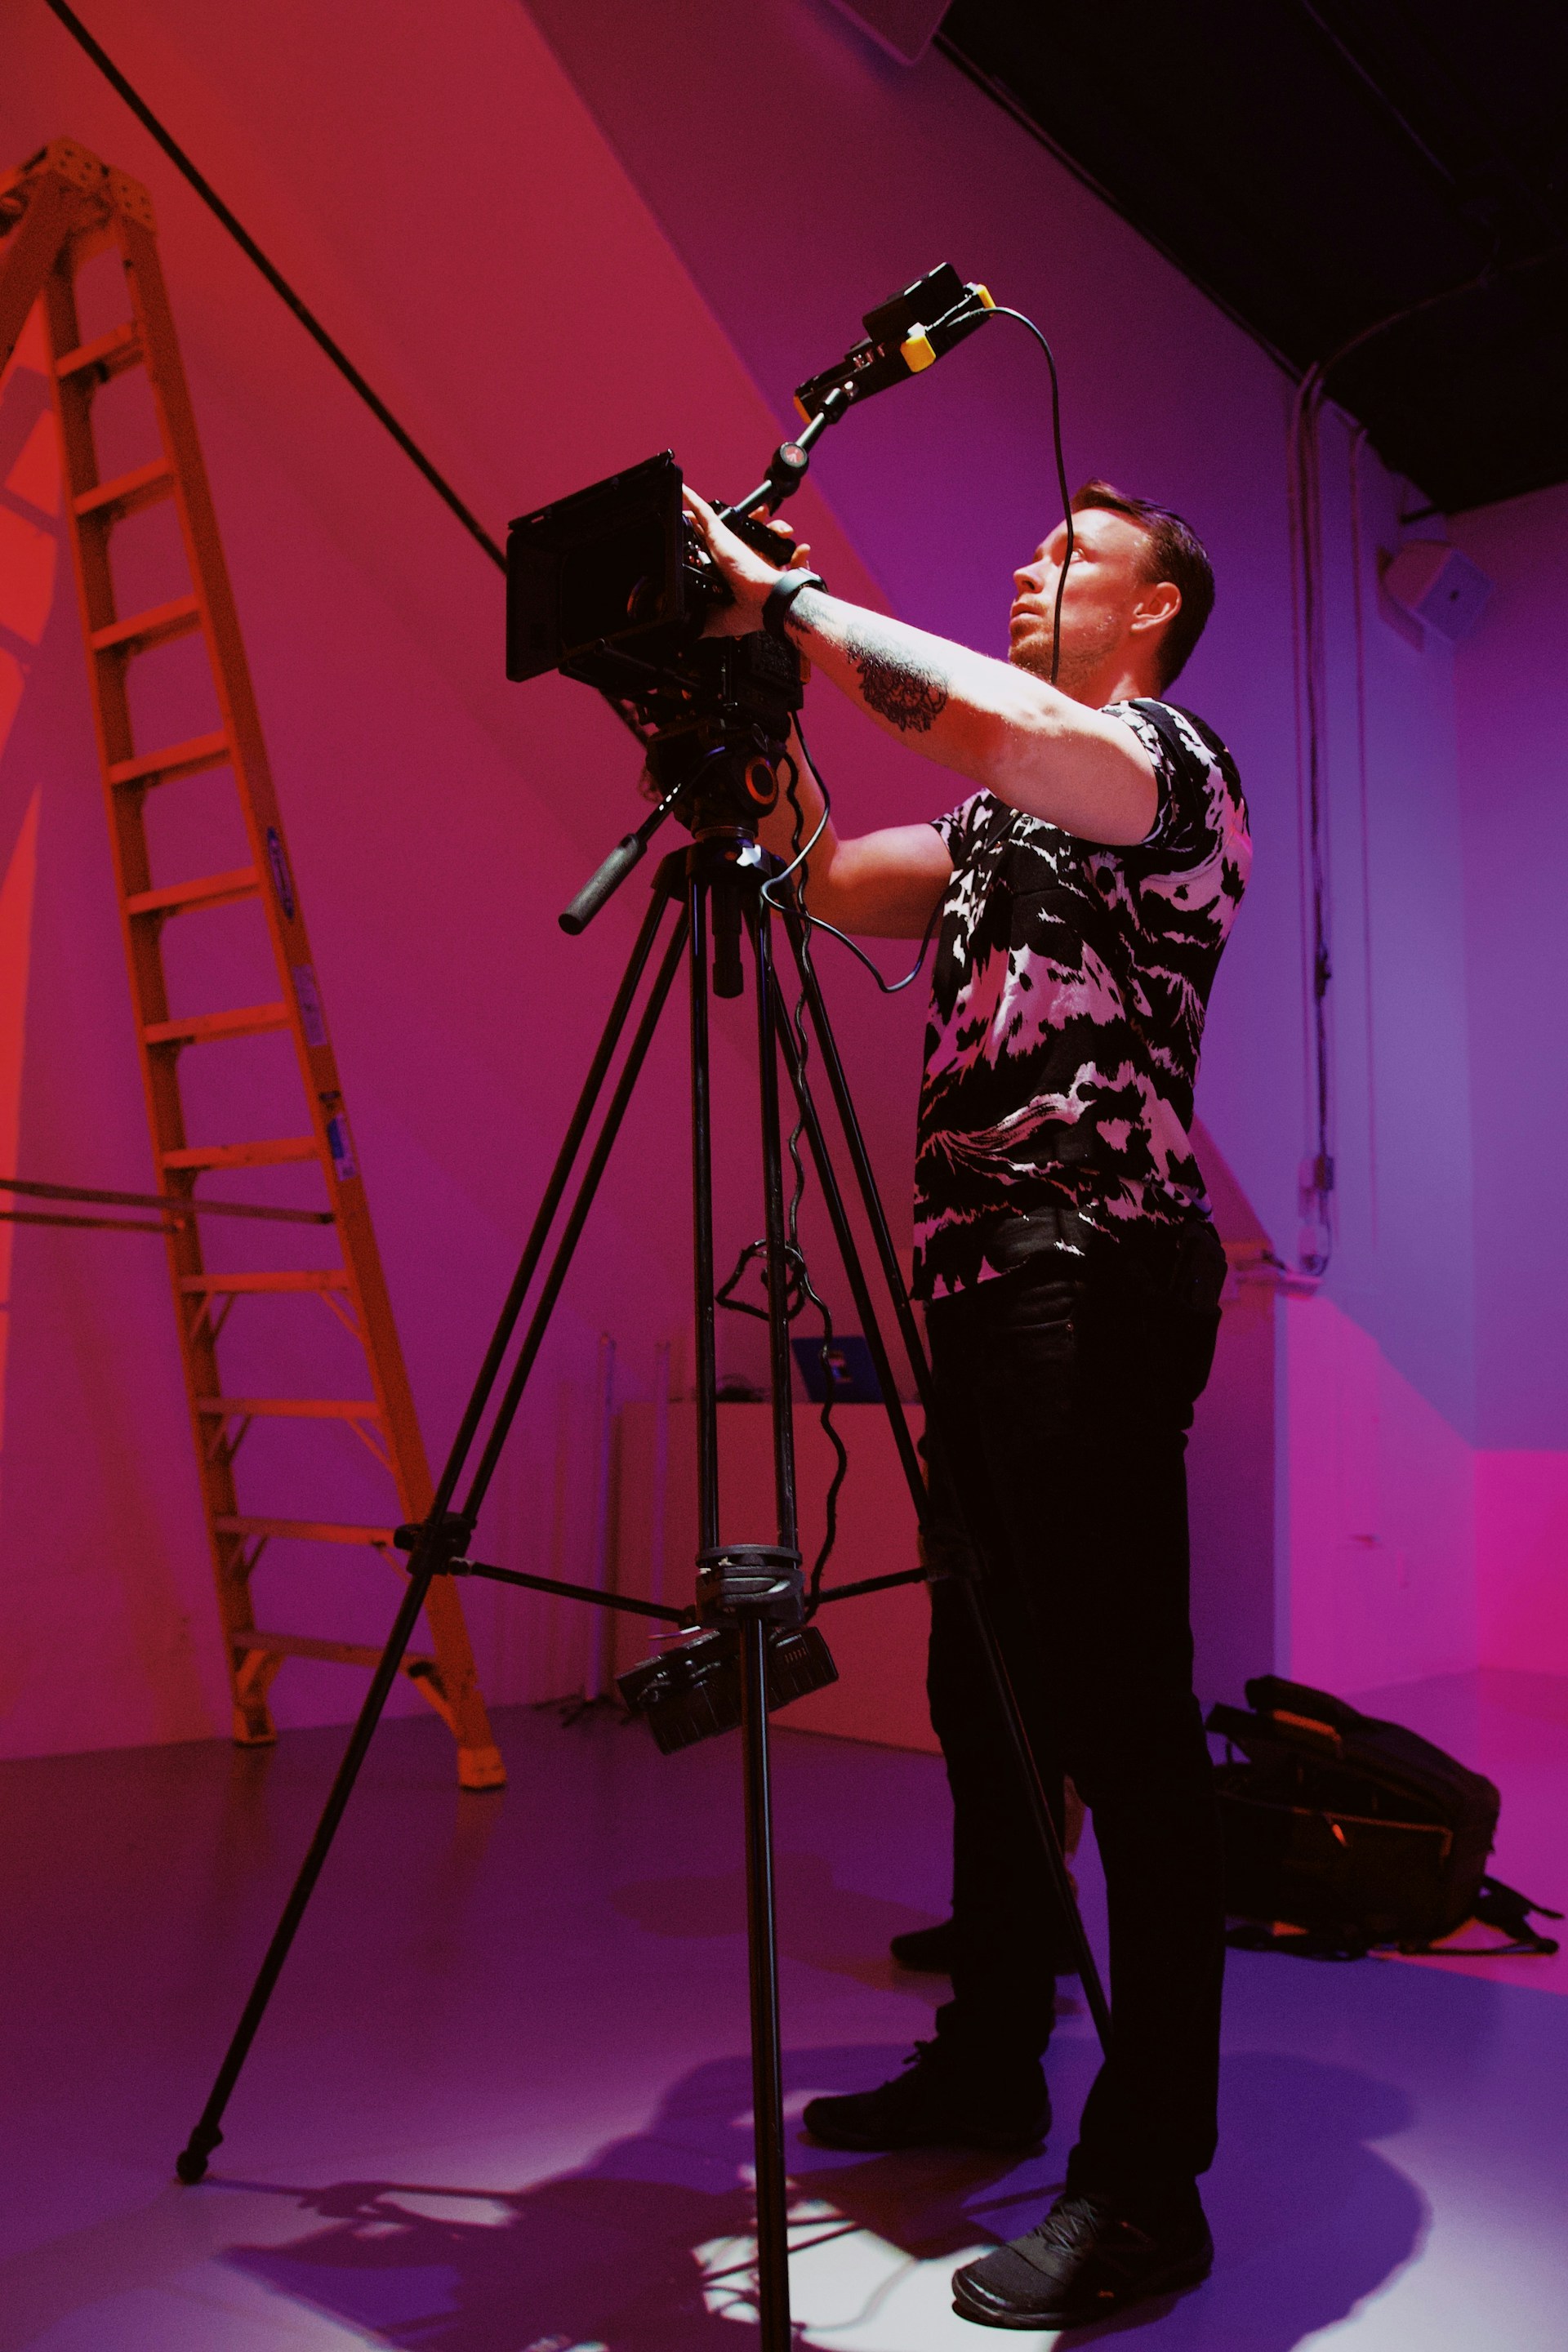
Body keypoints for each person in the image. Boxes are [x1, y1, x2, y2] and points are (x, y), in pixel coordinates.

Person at [683, 476, 1250, 2332]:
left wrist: (804, 618)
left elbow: (1000, 722)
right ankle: (995, 2058)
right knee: (987, 1698)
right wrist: (735, 725)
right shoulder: (1015, 814)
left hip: (1093, 1265)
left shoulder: (1164, 769)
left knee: (1120, 1724)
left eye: (1078, 556)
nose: (1031, 564)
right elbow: (845, 883)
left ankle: (1151, 2185)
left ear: (1154, 614)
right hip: (984, 1280)